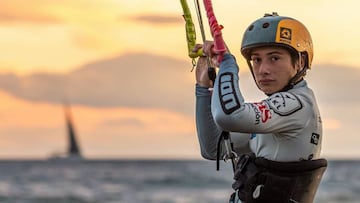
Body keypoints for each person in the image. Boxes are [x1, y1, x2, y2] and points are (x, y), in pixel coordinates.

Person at [193, 12, 327, 203]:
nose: (263, 69)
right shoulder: (274, 117)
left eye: (274, 58)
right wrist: (203, 90)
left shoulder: (296, 104)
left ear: (300, 62)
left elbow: (230, 116)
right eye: (256, 60)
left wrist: (227, 64)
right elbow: (213, 149)